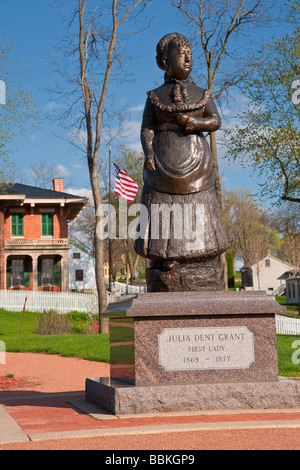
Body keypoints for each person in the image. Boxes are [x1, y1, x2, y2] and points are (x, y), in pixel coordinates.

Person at [134, 33, 227, 290]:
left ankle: (202, 254)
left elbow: (215, 121)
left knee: (198, 205)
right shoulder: (154, 96)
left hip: (196, 164)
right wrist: (149, 153)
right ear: (165, 60)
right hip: (163, 164)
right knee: (166, 209)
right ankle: (167, 256)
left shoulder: (202, 94)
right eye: (180, 54)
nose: (187, 58)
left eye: (190, 54)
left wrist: (196, 123)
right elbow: (146, 128)